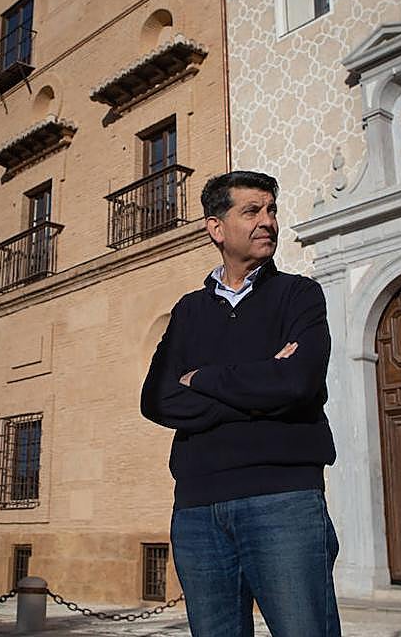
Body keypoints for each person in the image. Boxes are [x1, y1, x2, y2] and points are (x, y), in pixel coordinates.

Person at [140, 170, 340, 637]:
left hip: (284, 503)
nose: (267, 221)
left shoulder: (300, 294)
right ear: (216, 227)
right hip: (197, 512)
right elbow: (156, 399)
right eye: (251, 210)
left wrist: (203, 379)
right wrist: (261, 378)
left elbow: (297, 383)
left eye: (271, 209)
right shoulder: (189, 310)